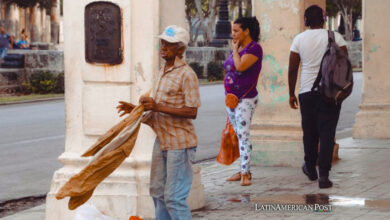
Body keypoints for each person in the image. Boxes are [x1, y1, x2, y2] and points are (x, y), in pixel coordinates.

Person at [117, 25, 200, 219]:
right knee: (157, 193)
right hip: (162, 141)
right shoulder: (162, 71)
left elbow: (192, 111)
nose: (163, 47)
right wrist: (135, 111)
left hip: (180, 144)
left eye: (169, 44)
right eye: (162, 42)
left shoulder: (187, 75)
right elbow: (156, 111)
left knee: (174, 198)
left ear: (180, 48)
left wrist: (156, 107)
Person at [288, 5, 348, 189]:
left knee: (310, 133)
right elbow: (344, 64)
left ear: (305, 21)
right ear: (323, 19)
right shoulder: (335, 37)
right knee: (327, 134)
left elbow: (292, 69)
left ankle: (310, 169)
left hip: (306, 93)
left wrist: (291, 93)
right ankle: (324, 176)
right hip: (330, 93)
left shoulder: (299, 39)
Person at [224, 16, 263, 186]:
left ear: (246, 31)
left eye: (236, 31)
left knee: (243, 134)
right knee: (239, 135)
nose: (233, 34)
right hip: (231, 100)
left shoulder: (254, 49)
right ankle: (242, 169)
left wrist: (234, 50)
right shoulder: (240, 48)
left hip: (245, 99)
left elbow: (240, 67)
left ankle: (246, 174)